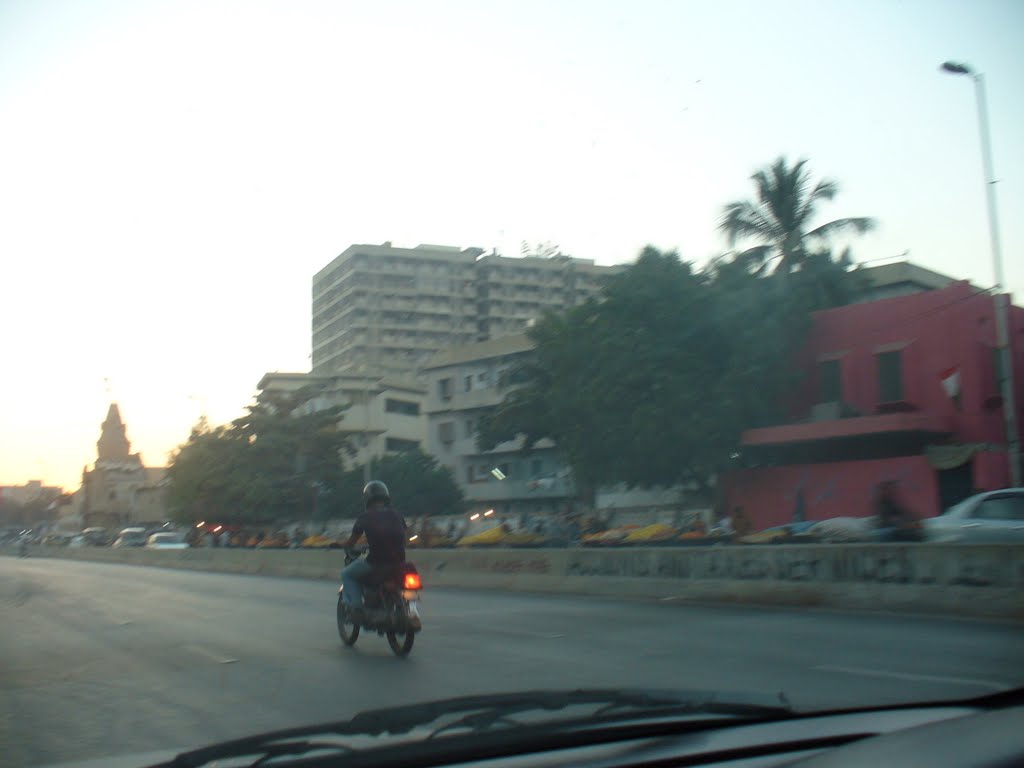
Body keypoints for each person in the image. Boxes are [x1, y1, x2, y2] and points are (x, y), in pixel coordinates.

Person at [340, 481, 407, 618]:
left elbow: (352, 542)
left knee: (347, 574)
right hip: (399, 562)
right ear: (386, 498)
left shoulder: (365, 517)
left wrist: (344, 546)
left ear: (367, 500)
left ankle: (356, 608)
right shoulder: (397, 515)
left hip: (376, 563)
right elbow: (403, 536)